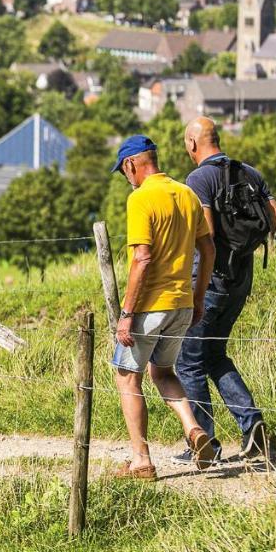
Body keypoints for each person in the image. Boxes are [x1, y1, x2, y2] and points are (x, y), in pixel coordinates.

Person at [174, 116, 276, 464]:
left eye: (185, 144)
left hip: (210, 281)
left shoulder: (199, 178)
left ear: (193, 143)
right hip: (241, 281)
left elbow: (205, 231)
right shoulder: (249, 173)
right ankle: (252, 425)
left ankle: (204, 444)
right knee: (215, 356)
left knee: (188, 362)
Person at [108, 134, 218, 479]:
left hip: (149, 306)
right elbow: (209, 249)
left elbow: (141, 257)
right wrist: (198, 297)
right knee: (164, 372)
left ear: (131, 165)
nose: (126, 178)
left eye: (124, 172)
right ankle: (194, 429)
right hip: (181, 304)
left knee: (127, 377)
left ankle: (141, 460)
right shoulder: (186, 194)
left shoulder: (141, 199)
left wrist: (126, 314)